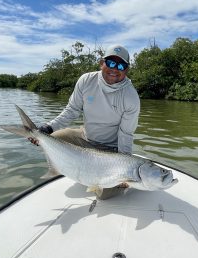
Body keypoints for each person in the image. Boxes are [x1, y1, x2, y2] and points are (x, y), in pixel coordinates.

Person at [31, 44, 140, 199]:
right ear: (102, 63)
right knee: (52, 138)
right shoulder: (86, 80)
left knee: (103, 194)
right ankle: (60, 169)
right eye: (111, 63)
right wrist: (48, 128)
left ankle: (92, 175)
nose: (115, 69)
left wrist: (124, 171)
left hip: (111, 149)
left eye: (121, 65)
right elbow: (71, 111)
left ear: (126, 70)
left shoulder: (131, 97)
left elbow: (126, 134)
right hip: (85, 136)